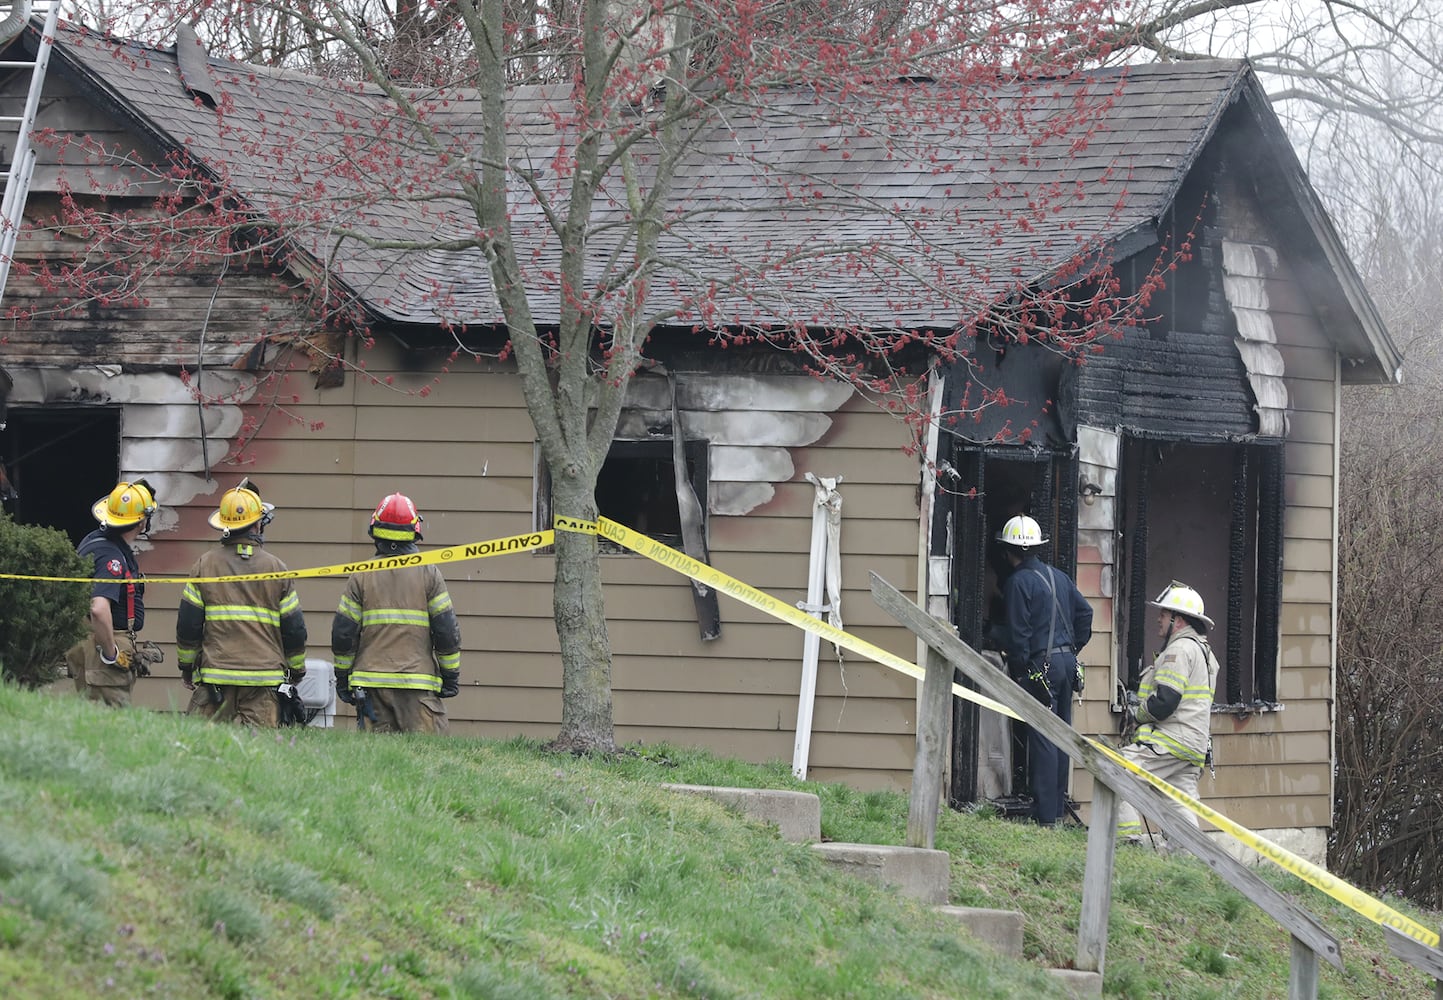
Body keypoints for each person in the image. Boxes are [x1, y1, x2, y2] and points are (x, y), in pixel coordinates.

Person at [176, 479, 307, 726]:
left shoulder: (204, 565)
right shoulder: (277, 569)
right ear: (258, 524)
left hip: (216, 677)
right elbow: (294, 628)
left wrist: (186, 665)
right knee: (260, 753)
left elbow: (188, 624)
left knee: (201, 749)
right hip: (263, 679)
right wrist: (296, 669)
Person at [331, 492, 462, 733]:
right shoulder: (429, 574)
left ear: (375, 530)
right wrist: (450, 675)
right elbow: (446, 631)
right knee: (427, 762)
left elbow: (343, 634)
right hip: (418, 687)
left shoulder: (361, 575)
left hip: (371, 687)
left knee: (376, 766)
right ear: (415, 530)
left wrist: (342, 678)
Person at [997, 513, 1093, 825]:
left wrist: (1022, 670)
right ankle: (1055, 810)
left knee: (1042, 735)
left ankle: (1045, 816)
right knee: (1062, 733)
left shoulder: (1017, 583)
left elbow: (1019, 636)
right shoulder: (1060, 577)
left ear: (1008, 550)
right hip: (1067, 663)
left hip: (1042, 665)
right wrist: (1072, 648)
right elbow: (1086, 614)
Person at [1118, 581, 1221, 845]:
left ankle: (1128, 844)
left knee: (1116, 770)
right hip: (1193, 746)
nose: (1159, 619)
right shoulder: (1204, 652)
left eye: (1163, 614)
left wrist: (1136, 714)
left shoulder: (1179, 649)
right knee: (1178, 804)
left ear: (1178, 620)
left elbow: (1165, 701)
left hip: (1171, 741)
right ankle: (1190, 861)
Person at [67, 480, 157, 707]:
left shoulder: (97, 542)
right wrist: (111, 653)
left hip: (96, 644)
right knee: (111, 723)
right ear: (141, 521)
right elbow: (98, 608)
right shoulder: (111, 557)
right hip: (102, 649)